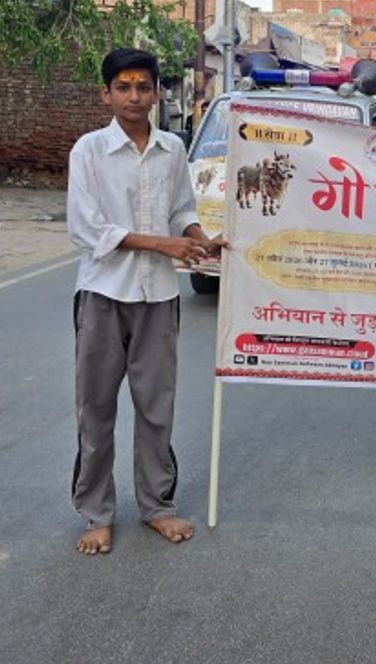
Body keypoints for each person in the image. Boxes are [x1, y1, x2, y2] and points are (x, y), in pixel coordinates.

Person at [67, 48, 226, 556]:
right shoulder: (89, 150)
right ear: (106, 93)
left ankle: (157, 506)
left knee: (157, 406)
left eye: (143, 87)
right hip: (102, 293)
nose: (134, 97)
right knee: (96, 408)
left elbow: (182, 208)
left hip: (158, 295)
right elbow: (87, 228)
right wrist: (163, 244)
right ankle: (97, 513)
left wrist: (201, 238)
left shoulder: (172, 150)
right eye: (124, 87)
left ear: (157, 92)